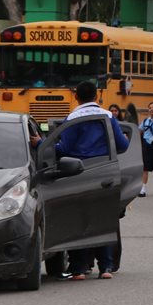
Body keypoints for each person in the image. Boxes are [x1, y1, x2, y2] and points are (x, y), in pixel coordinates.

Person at [60, 81, 130, 280]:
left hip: (78, 174)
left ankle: (79, 268)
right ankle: (106, 267)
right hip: (105, 173)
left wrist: (41, 144)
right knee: (104, 218)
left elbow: (63, 148)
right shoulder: (107, 116)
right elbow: (122, 145)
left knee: (78, 221)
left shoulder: (73, 118)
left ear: (76, 96)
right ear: (96, 96)